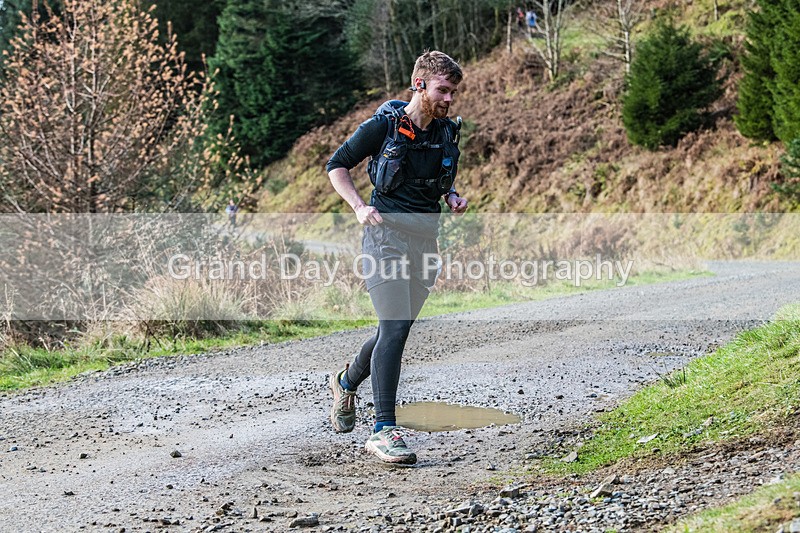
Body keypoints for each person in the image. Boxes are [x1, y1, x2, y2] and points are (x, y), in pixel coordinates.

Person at [325, 50, 468, 465]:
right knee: (393, 330)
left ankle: (346, 381)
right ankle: (384, 430)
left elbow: (440, 178)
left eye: (453, 92)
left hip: (425, 242)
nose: (449, 99)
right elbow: (337, 165)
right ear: (420, 84)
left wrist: (452, 196)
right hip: (384, 238)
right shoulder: (384, 125)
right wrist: (357, 206)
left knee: (396, 329)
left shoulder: (445, 132)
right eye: (443, 90)